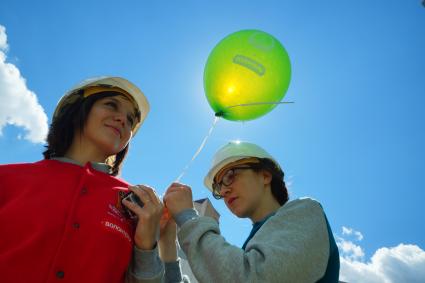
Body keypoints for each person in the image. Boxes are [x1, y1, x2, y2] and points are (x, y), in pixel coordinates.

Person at [0, 76, 182, 282]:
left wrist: (147, 247)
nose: (123, 120)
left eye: (130, 120)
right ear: (78, 109)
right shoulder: (6, 178)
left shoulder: (137, 205)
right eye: (111, 105)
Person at [164, 141, 340, 282]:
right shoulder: (249, 252)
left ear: (265, 175)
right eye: (218, 187)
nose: (223, 191)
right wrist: (167, 241)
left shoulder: (307, 212)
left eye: (230, 176)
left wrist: (188, 218)